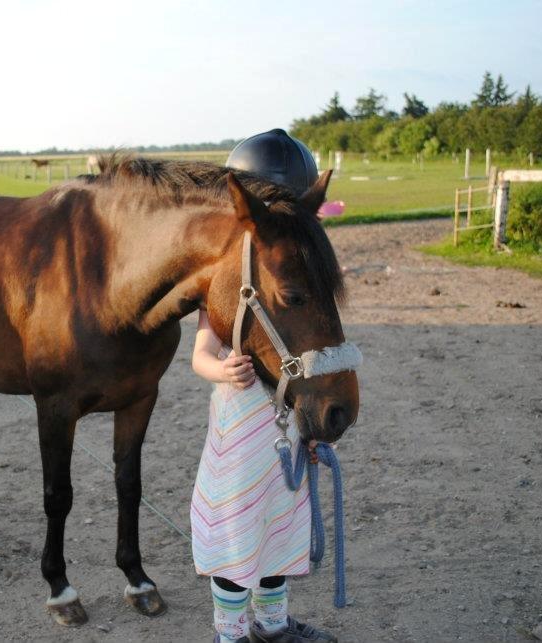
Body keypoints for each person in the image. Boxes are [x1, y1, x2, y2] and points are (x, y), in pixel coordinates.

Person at [189, 129, 336, 643]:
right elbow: (200, 356)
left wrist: (312, 429)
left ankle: (272, 625)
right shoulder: (231, 288)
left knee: (277, 530)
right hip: (240, 445)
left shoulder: (297, 266)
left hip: (283, 438)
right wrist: (222, 369)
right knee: (236, 535)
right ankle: (230, 634)